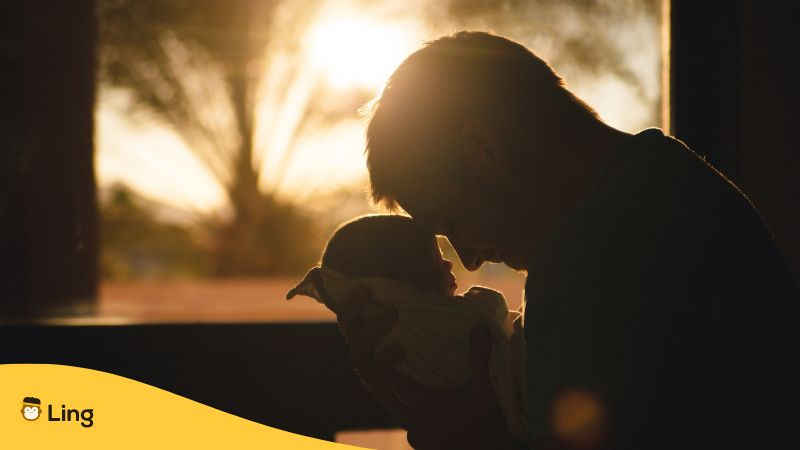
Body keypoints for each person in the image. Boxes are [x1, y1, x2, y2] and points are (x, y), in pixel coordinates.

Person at [337, 31, 800, 449]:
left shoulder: (590, 254)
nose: (468, 260)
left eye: (451, 223)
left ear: (484, 149)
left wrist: (462, 438)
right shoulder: (676, 184)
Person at [286, 215, 529, 443]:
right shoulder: (430, 327)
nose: (451, 262)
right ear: (391, 287)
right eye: (431, 258)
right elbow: (492, 314)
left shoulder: (387, 345)